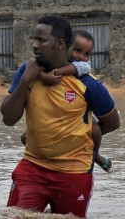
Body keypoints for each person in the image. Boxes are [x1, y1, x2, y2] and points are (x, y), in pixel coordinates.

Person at [0, 15, 120, 217]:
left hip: (74, 173)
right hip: (33, 167)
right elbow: (8, 119)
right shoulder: (27, 71)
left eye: (41, 40)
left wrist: (77, 136)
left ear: (60, 44)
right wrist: (26, 80)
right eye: (34, 39)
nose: (34, 45)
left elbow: (112, 122)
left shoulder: (87, 83)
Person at [20, 29, 114, 173]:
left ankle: (95, 155)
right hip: (46, 121)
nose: (82, 57)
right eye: (77, 50)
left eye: (87, 54)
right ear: (64, 47)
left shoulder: (84, 69)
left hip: (75, 123)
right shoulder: (47, 61)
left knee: (94, 129)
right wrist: (44, 77)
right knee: (25, 137)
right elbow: (35, 66)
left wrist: (57, 74)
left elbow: (113, 123)